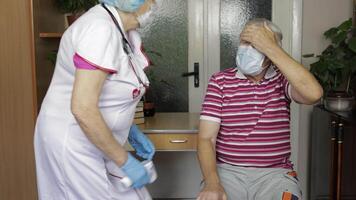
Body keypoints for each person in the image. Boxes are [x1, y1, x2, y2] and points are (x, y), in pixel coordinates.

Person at [34, 0, 158, 199]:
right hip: (75, 141)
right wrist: (125, 161)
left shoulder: (123, 31)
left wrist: (130, 130)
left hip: (98, 137)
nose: (155, 5)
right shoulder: (99, 30)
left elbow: (112, 91)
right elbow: (83, 108)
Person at [197, 18, 323, 200]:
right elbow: (206, 138)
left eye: (257, 42)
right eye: (245, 41)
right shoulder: (220, 81)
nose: (248, 48)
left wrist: (270, 48)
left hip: (275, 174)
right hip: (227, 171)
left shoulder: (283, 79)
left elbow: (314, 94)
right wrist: (212, 183)